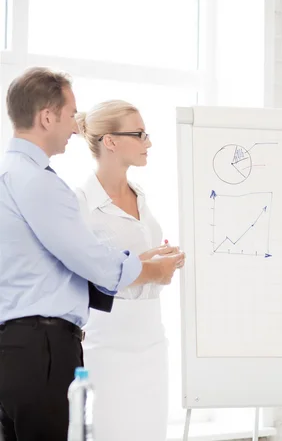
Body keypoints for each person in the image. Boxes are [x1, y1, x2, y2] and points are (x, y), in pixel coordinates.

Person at [0, 67, 185, 441]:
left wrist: (143, 264)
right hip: (43, 347)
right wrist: (150, 269)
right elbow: (90, 260)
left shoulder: (11, 173)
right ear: (46, 117)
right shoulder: (41, 183)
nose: (74, 126)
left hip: (27, 344)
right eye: (70, 115)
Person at [74, 100, 172, 441]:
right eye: (139, 134)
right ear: (110, 142)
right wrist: (146, 269)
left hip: (152, 337)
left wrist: (161, 265)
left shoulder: (141, 195)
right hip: (109, 341)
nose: (148, 142)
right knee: (110, 432)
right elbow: (79, 277)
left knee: (151, 432)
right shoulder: (80, 204)